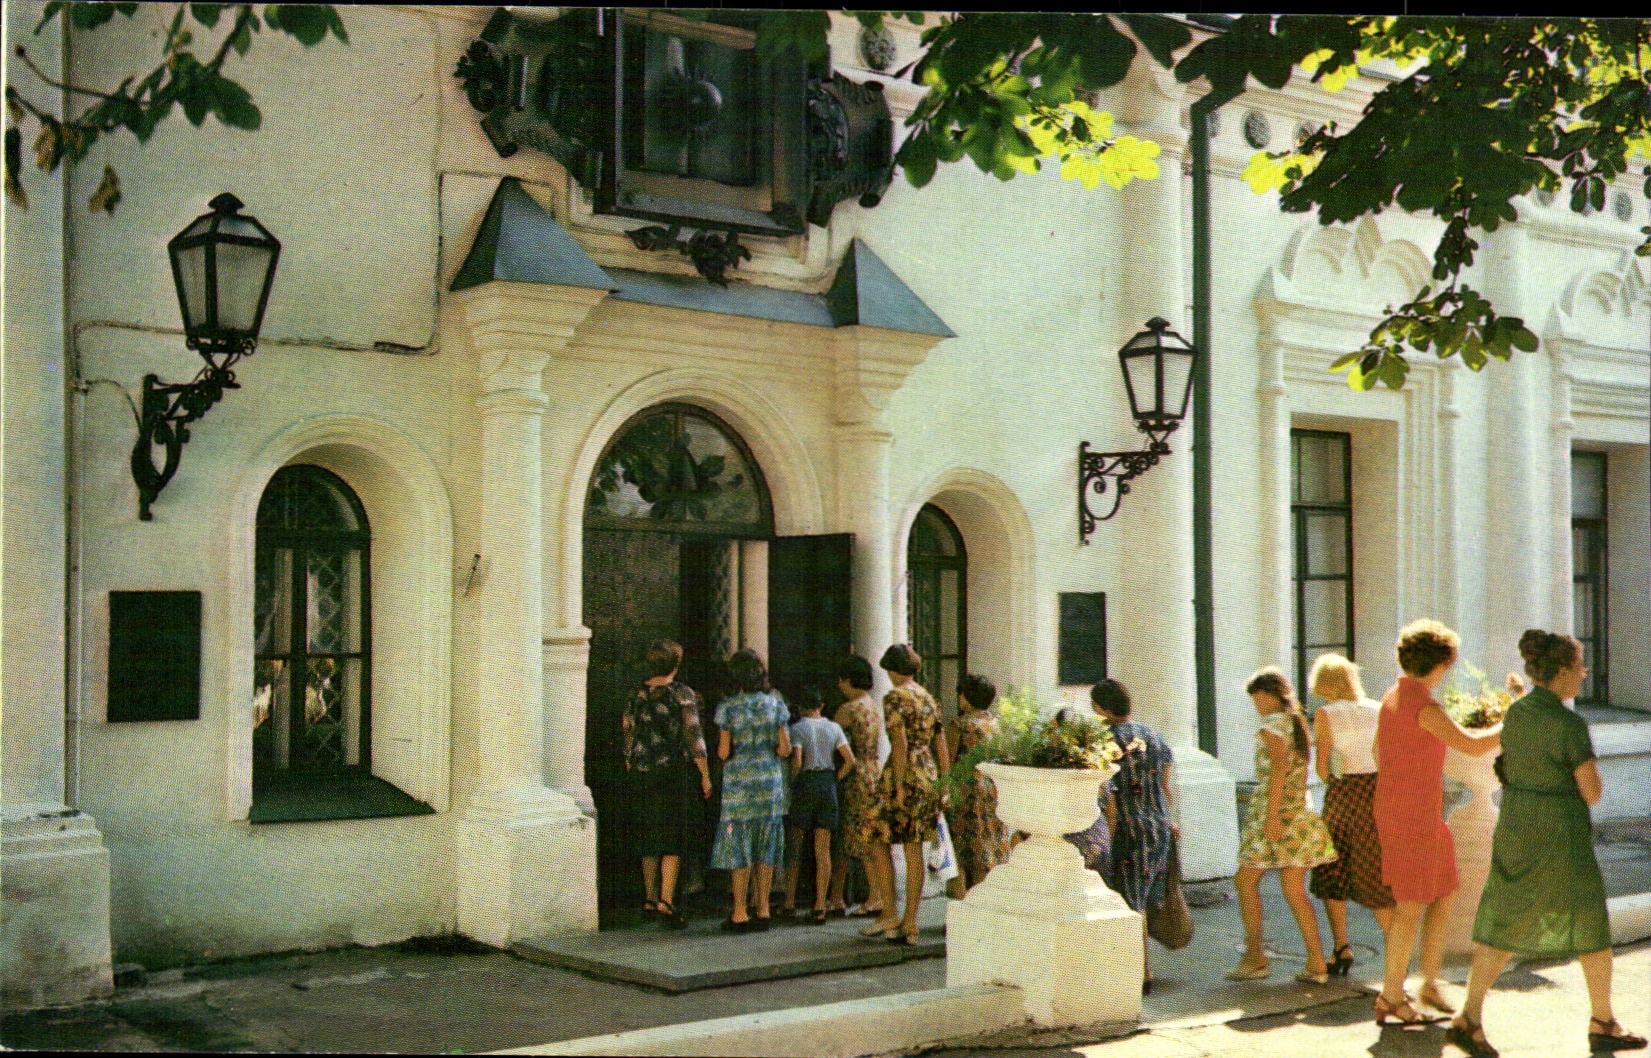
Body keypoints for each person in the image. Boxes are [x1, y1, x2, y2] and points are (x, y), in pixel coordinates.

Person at [1446, 630, 1646, 1058]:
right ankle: (1602, 1020)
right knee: (1590, 922)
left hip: (1518, 824)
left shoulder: (1517, 713)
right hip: (1559, 832)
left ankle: (1470, 1014)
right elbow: (1592, 792)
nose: (1583, 674)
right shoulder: (1568, 723)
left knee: (1506, 917)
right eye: (1579, 667)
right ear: (1562, 672)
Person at [1371, 619, 1501, 1026]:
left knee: (1444, 891)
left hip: (1411, 810)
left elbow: (1378, 753)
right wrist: (1513, 721)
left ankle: (1429, 981)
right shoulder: (1422, 705)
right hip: (1412, 815)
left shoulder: (1395, 694)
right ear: (1440, 664)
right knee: (1410, 906)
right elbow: (1472, 745)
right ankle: (1392, 997)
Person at [1229, 667, 1338, 984]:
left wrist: (1272, 816)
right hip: (1299, 811)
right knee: (1294, 890)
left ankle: (1255, 956)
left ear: (1267, 695)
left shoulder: (1272, 726)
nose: (1256, 706)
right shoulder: (1297, 723)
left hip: (1274, 810)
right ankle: (1317, 963)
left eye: (1256, 699)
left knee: (1245, 882)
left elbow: (1277, 771)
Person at [1306, 653, 1395, 977]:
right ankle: (1395, 948)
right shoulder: (1377, 709)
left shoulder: (1326, 714)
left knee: (1333, 867)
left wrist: (1336, 780)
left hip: (1344, 794)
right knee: (1375, 868)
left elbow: (1322, 767)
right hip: (1377, 792)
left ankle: (1342, 946)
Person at [1090, 678, 1176, 995]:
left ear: (1101, 708)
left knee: (1131, 899)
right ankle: (1140, 967)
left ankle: (1141, 972)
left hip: (1128, 827)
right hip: (1158, 825)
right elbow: (1165, 787)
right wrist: (1170, 821)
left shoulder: (1106, 742)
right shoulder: (1153, 736)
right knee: (1143, 896)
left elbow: (1109, 797)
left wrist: (1106, 840)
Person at [862, 643, 950, 946]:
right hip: (928, 774)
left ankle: (889, 912)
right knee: (915, 849)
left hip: (905, 772)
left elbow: (898, 743)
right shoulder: (928, 698)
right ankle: (911, 923)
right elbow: (940, 743)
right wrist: (945, 784)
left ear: (894, 669)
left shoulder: (895, 698)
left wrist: (898, 783)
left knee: (876, 838)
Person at [620, 640, 711, 930]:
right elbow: (693, 736)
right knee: (673, 836)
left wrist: (630, 761)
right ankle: (666, 900)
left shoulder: (637, 695)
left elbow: (628, 733)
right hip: (674, 772)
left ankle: (648, 898)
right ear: (675, 664)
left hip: (643, 772)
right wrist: (705, 775)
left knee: (648, 834)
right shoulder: (681, 694)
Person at [709, 649, 792, 933]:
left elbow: (722, 752)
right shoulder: (775, 705)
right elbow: (785, 748)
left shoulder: (728, 708)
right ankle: (764, 908)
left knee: (740, 845)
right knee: (766, 843)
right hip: (769, 782)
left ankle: (740, 911)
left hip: (739, 785)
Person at [783, 685, 854, 923]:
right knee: (822, 848)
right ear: (821, 705)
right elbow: (849, 760)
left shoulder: (797, 728)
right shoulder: (833, 727)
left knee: (796, 844)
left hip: (806, 783)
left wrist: (793, 782)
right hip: (827, 782)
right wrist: (835, 779)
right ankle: (820, 904)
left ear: (800, 707)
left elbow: (797, 760)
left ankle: (789, 901)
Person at [826, 654, 887, 918]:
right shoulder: (872, 705)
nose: (839, 685)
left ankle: (875, 896)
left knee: (860, 838)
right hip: (874, 770)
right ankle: (877, 894)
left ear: (848, 680)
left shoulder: (847, 710)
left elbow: (831, 742)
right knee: (871, 834)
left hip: (856, 774)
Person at [944, 673, 1011, 892]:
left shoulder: (960, 725)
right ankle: (983, 902)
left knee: (960, 850)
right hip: (992, 788)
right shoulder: (995, 724)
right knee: (987, 847)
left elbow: (948, 761)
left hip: (966, 790)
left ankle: (961, 905)